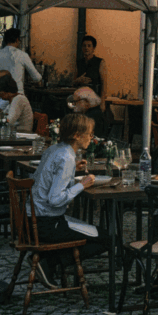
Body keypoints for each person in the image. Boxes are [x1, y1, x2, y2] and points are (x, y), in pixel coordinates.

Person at [31, 113, 107, 287]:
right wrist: (82, 185)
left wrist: (72, 175)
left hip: (32, 217)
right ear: (76, 136)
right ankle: (49, 263)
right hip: (46, 223)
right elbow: (55, 200)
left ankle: (47, 260)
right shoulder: (66, 157)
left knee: (92, 231)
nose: (91, 137)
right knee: (107, 239)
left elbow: (50, 183)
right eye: (89, 134)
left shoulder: (54, 149)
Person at [0, 28, 42, 94]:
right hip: (16, 95)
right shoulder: (23, 55)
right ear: (17, 40)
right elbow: (37, 77)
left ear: (5, 40)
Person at [73, 35, 107, 106]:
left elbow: (104, 83)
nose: (86, 48)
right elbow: (73, 82)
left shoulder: (100, 62)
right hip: (81, 100)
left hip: (94, 99)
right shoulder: (79, 63)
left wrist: (102, 102)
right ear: (82, 48)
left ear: (93, 48)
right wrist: (78, 80)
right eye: (84, 46)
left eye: (89, 46)